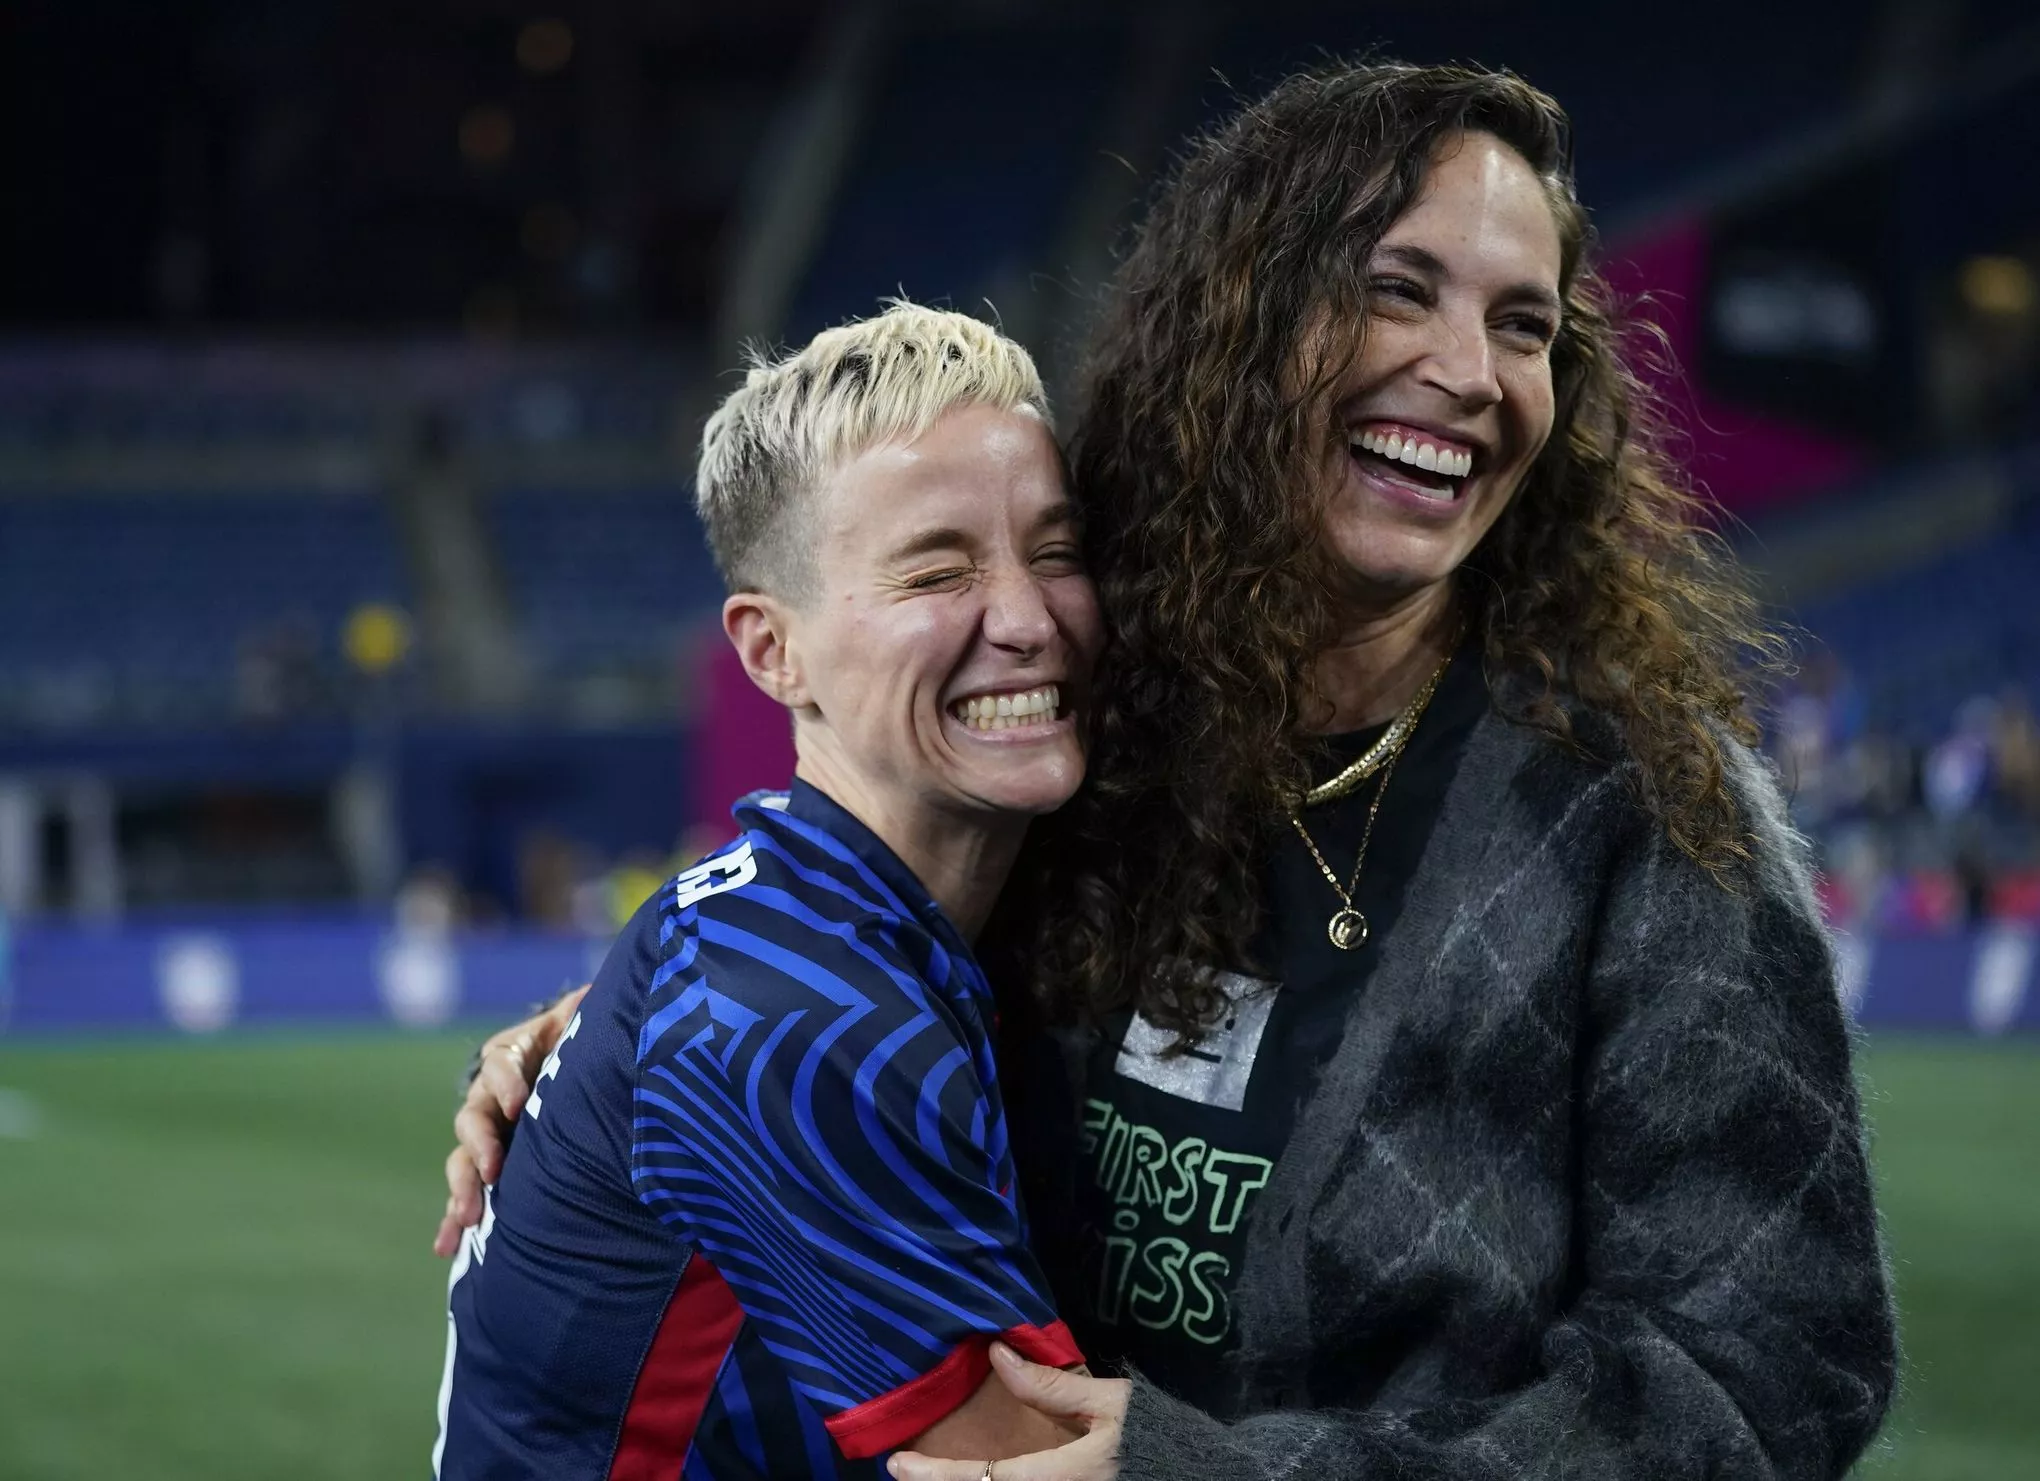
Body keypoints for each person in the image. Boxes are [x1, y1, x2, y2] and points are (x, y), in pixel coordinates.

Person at [444, 63, 1898, 1481]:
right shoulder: (1101, 729)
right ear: (1244, 324)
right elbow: (833, 982)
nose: (1469, 374)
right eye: (1396, 288)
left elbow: (1768, 1372)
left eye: (1525, 326)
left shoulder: (1638, 808)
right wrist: (601, 1051)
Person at [433, 304, 1105, 1478]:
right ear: (769, 652)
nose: (1028, 615)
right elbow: (1039, 1465)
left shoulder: (782, 917)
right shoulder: (800, 1021)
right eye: (937, 570)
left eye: (1054, 551)